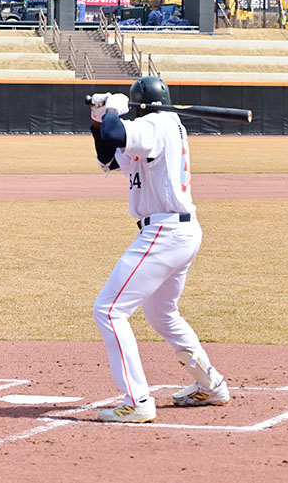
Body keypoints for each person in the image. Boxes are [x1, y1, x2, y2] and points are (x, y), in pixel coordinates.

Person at [87, 77, 229, 424]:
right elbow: (109, 154)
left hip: (164, 231)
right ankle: (211, 385)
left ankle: (137, 401)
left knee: (108, 310)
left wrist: (116, 112)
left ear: (139, 106)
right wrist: (97, 120)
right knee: (162, 314)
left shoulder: (158, 123)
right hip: (179, 231)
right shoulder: (160, 127)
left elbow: (116, 133)